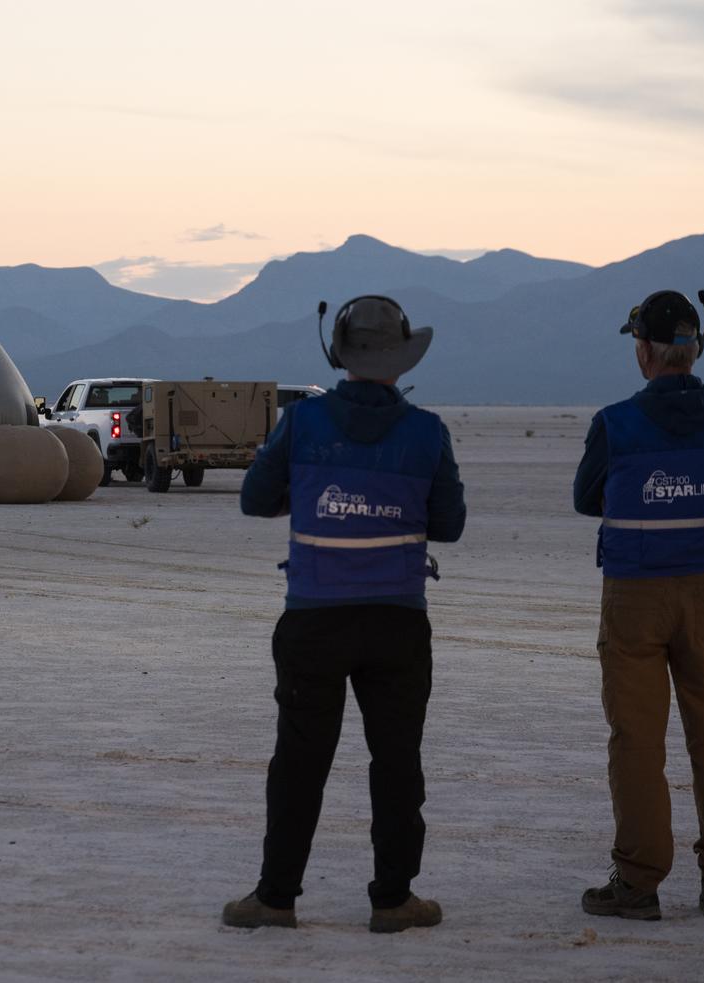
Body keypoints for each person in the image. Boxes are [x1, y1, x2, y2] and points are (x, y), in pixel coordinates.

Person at [222, 296, 466, 933]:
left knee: (299, 762)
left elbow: (254, 500)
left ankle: (275, 898)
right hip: (397, 622)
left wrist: (310, 502)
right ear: (401, 355)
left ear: (340, 352)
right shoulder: (427, 430)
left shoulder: (301, 423)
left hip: (313, 620)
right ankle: (393, 900)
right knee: (397, 762)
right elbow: (450, 524)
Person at [573, 290, 704, 921]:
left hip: (636, 597)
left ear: (645, 350)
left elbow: (585, 496)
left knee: (638, 741)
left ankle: (640, 882)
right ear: (696, 347)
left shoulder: (616, 423)